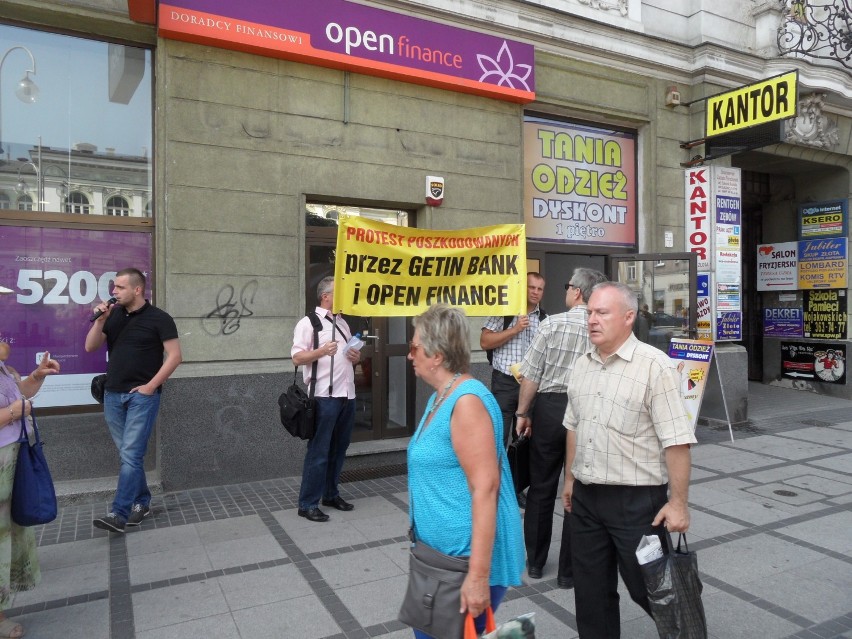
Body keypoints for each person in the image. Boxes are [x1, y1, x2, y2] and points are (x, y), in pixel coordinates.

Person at [562, 282, 696, 638]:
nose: (591, 319)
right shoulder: (581, 366)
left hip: (637, 505)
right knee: (590, 595)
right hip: (588, 501)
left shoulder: (656, 367)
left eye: (601, 312)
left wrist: (678, 503)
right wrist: (571, 480)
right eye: (589, 311)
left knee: (654, 590)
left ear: (628, 317)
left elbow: (677, 441)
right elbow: (573, 426)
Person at [406, 304, 524, 638]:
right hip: (437, 559)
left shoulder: (467, 402)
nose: (410, 356)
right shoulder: (441, 396)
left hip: (462, 564)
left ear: (437, 354)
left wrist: (477, 577)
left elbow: (485, 489)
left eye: (414, 348)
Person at [514, 267, 607, 586]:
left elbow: (531, 375)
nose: (565, 290)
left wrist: (522, 413)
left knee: (541, 487)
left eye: (568, 285)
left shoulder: (551, 324)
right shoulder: (602, 326)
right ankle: (569, 571)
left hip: (551, 409)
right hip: (588, 409)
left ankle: (536, 562)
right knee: (577, 490)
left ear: (577, 292)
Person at [85, 268, 182, 533]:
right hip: (112, 394)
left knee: (130, 453)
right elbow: (90, 347)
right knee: (128, 455)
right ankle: (142, 502)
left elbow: (174, 356)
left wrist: (151, 386)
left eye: (119, 287)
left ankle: (119, 512)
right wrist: (100, 321)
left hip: (142, 397)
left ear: (137, 289)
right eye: (114, 287)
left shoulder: (160, 319)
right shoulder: (112, 316)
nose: (113, 292)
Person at [0, 342, 60, 638]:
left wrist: (36, 377)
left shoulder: (4, 369)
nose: (3, 338)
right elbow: (14, 406)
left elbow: (20, 393)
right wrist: (12, 412)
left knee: (9, 534)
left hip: (12, 460)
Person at [291, 276, 361, 523]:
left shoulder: (342, 323)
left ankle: (331, 494)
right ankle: (307, 503)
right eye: (338, 294)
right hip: (323, 396)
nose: (343, 298)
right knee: (319, 451)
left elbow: (349, 357)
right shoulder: (309, 323)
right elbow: (297, 358)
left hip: (347, 395)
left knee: (339, 449)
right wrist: (321, 351)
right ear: (326, 296)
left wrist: (354, 356)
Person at [480, 272, 545, 448]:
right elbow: (485, 342)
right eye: (531, 287)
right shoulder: (504, 311)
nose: (535, 292)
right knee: (497, 436)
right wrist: (515, 329)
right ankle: (498, 475)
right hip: (504, 383)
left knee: (524, 440)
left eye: (539, 289)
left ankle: (518, 475)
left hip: (531, 385)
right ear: (522, 287)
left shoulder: (544, 320)